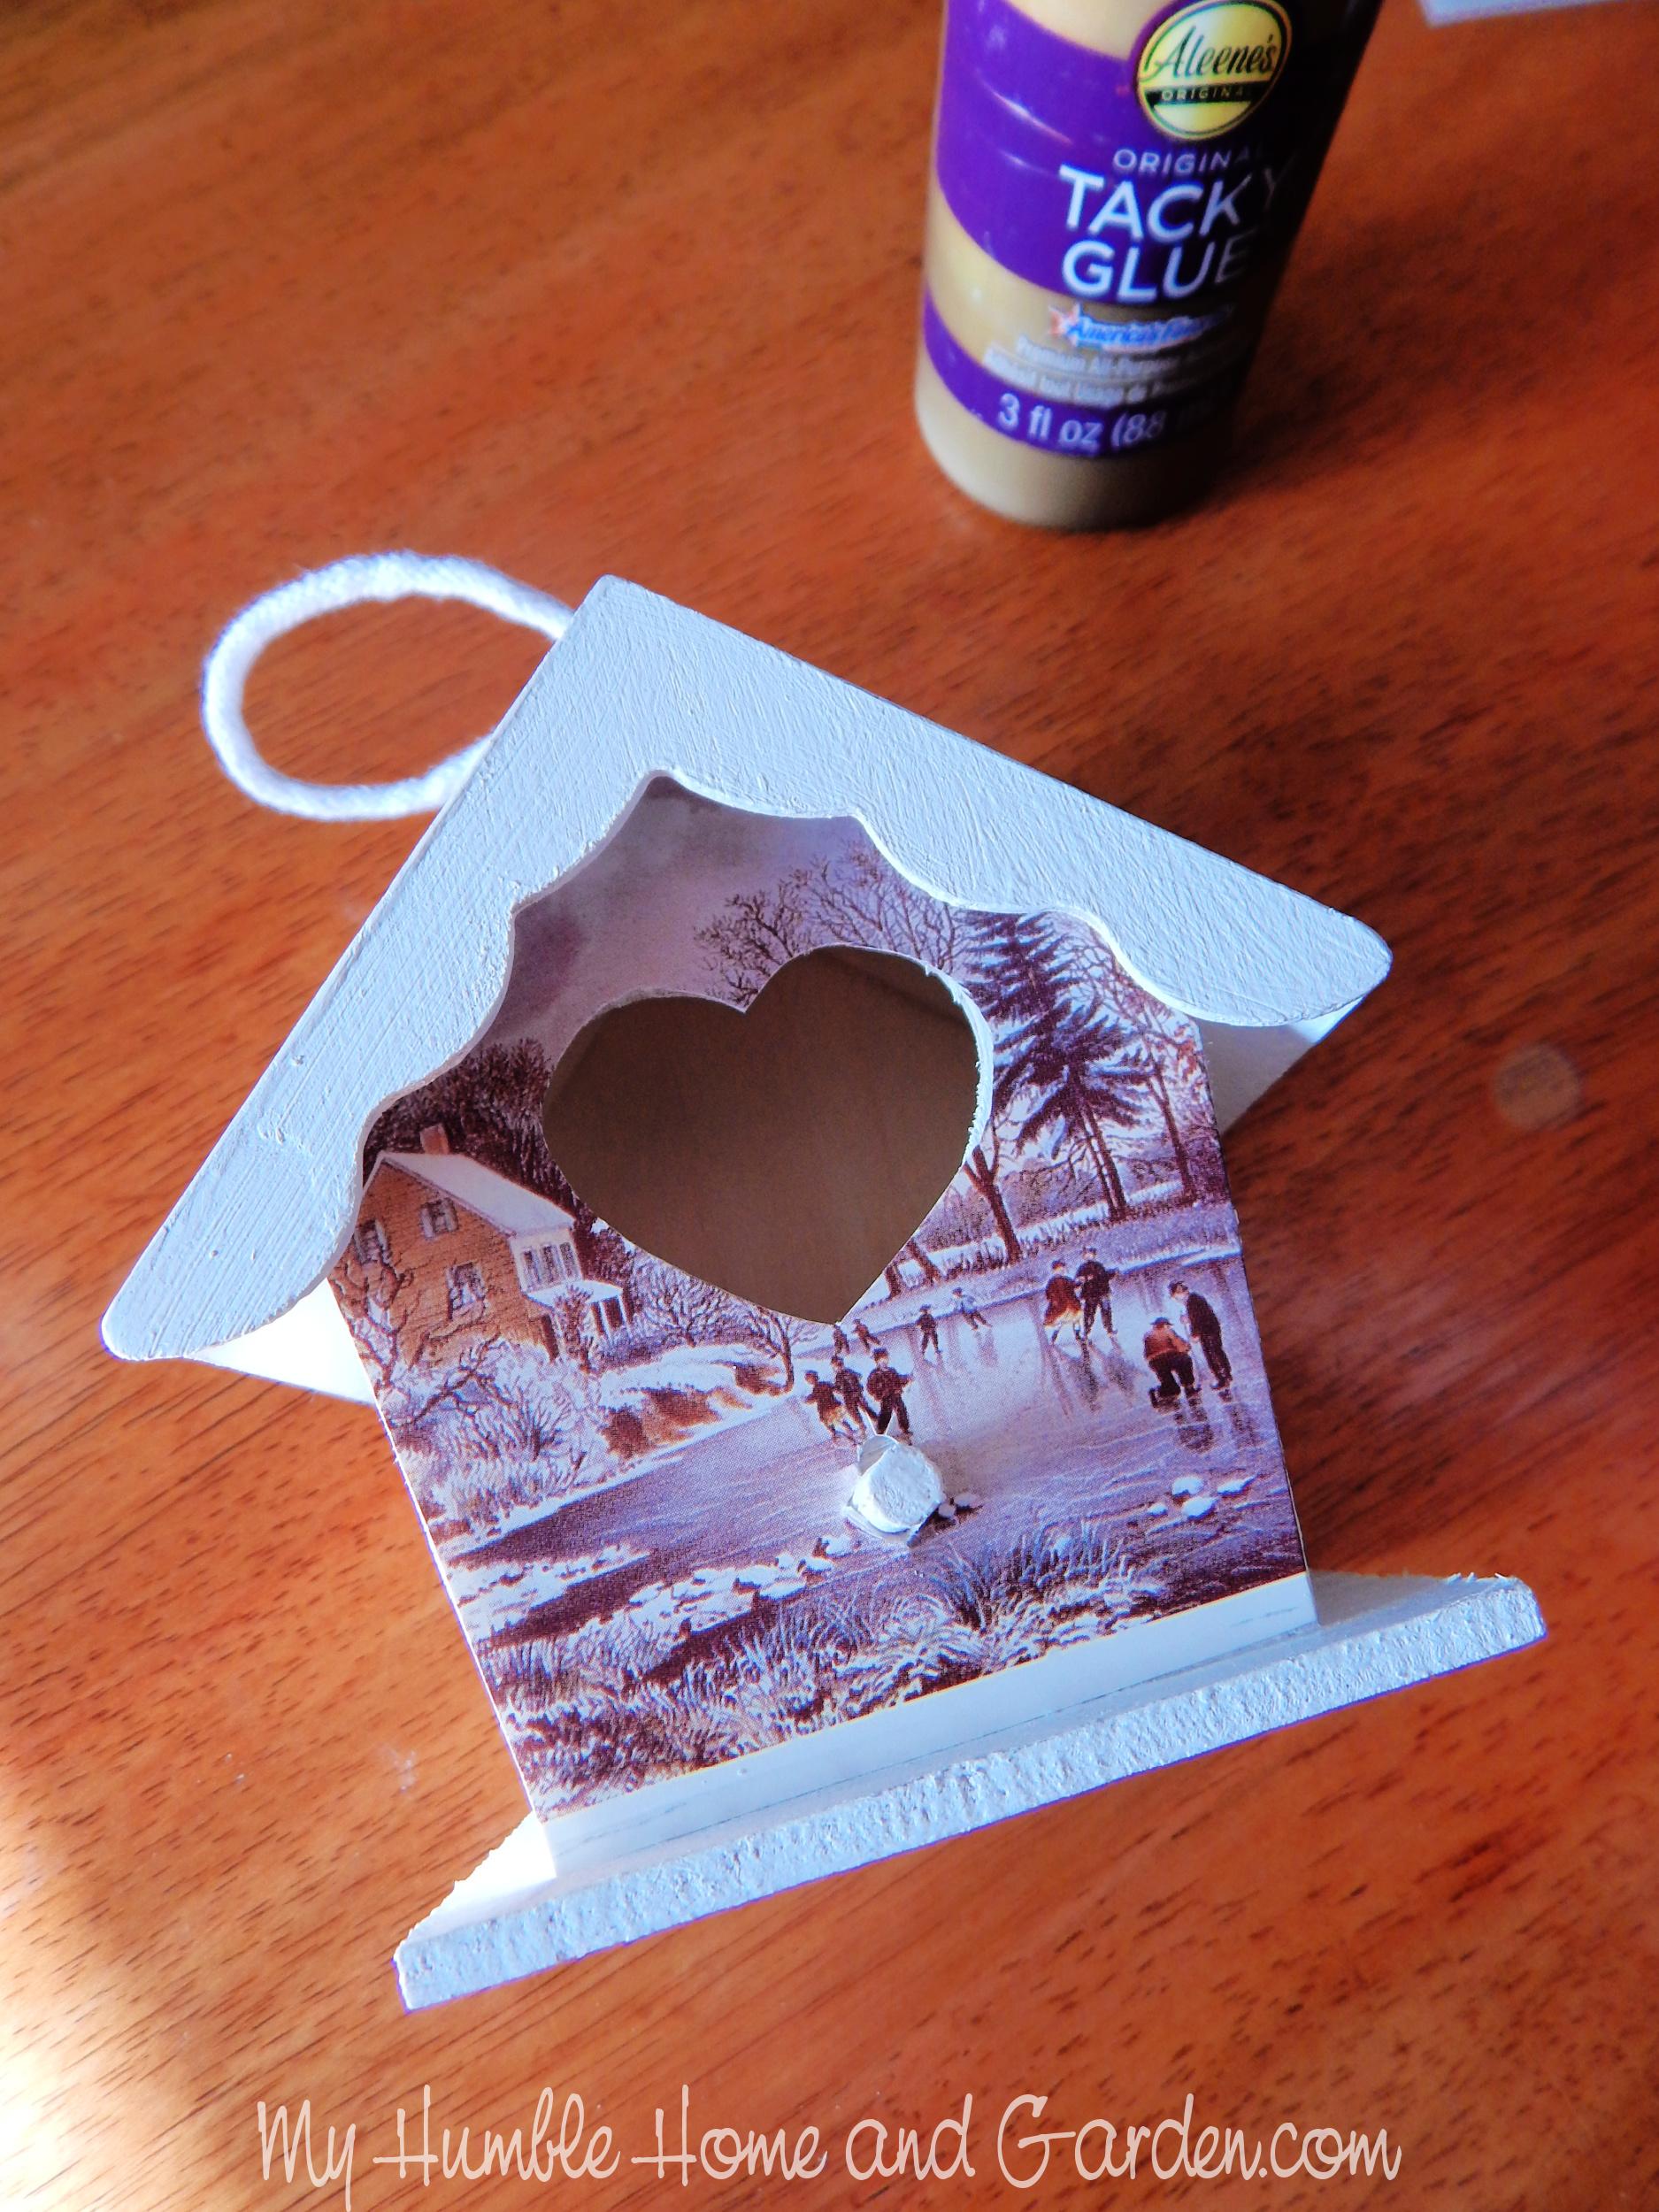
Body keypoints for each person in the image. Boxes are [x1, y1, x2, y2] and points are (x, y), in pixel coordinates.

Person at [1171, 1279, 1232, 1389]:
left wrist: (1194, 1334)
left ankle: (1222, 1379)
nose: (1176, 1299)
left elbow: (1197, 1318)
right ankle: (1226, 1375)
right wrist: (1188, 1319)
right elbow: (1198, 1315)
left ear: (1179, 1291)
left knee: (1212, 1355)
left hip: (1207, 1331)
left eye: (1175, 1296)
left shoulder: (1192, 1300)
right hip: (1210, 1329)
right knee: (1217, 1352)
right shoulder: (1194, 1299)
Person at [1143, 1317, 1198, 1408]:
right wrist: (1187, 1347)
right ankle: (1188, 1386)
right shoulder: (1168, 1332)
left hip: (1156, 1363)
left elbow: (1146, 1354)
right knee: (1185, 1361)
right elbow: (1181, 1346)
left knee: (1170, 1386)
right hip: (1171, 1358)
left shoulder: (1147, 1335)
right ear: (1165, 1325)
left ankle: (1161, 1392)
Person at [864, 1347, 913, 1436]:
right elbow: (870, 1387)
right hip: (885, 1398)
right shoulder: (874, 1374)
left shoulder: (892, 1371)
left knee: (902, 1411)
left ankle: (905, 1429)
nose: (884, 1361)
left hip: (896, 1395)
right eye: (881, 1360)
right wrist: (877, 1394)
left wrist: (907, 1378)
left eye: (885, 1359)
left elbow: (899, 1379)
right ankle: (881, 1431)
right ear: (877, 1361)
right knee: (886, 1414)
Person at [1074, 1251, 1116, 1340]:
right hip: (1090, 1295)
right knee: (1089, 1314)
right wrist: (1084, 1280)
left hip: (1102, 1293)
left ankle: (1109, 1330)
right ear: (1084, 1257)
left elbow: (1105, 1277)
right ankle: (1086, 1332)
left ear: (1094, 1255)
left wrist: (1111, 1273)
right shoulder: (1082, 1268)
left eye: (1090, 1254)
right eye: (1086, 1254)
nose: (1089, 1256)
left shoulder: (1099, 1266)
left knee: (1106, 1312)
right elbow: (1077, 1282)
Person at [803, 1369, 853, 1441]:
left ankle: (838, 1435)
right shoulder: (825, 1384)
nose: (808, 1381)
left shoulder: (817, 1388)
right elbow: (836, 1389)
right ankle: (847, 1434)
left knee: (830, 1423)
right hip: (833, 1406)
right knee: (840, 1421)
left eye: (808, 1379)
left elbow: (814, 1398)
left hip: (826, 1409)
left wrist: (807, 1400)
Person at [1041, 1263, 1082, 1344]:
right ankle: (1053, 1338)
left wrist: (1080, 1282)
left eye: (1062, 1269)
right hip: (1059, 1306)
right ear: (1054, 1271)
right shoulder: (1052, 1282)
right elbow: (1048, 1293)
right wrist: (1053, 1301)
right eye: (1059, 1270)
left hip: (1071, 1304)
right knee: (1059, 1322)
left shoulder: (1066, 1279)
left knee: (1076, 1320)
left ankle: (1078, 1336)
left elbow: (1074, 1285)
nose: (1061, 1271)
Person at [832, 1354, 873, 1430]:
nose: (838, 1367)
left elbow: (859, 1376)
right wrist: (836, 1389)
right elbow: (838, 1388)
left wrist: (838, 1389)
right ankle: (863, 1426)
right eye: (836, 1366)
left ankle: (874, 1421)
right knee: (854, 1411)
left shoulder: (846, 1373)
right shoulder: (840, 1375)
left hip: (854, 1394)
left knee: (863, 1409)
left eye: (839, 1364)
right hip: (850, 1396)